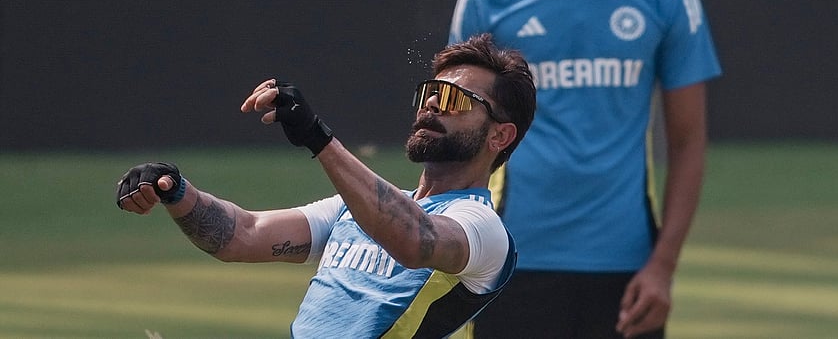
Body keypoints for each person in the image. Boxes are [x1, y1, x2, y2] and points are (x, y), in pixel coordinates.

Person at [448, 0, 722, 337]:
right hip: (508, 258)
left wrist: (663, 267)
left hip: (626, 265)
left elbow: (687, 141)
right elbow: (458, 136)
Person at [115, 33, 536, 338]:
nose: (431, 103)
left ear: (500, 136)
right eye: (431, 92)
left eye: (454, 99)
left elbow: (415, 240)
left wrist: (317, 137)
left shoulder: (481, 227)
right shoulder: (353, 209)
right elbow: (241, 235)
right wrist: (175, 190)